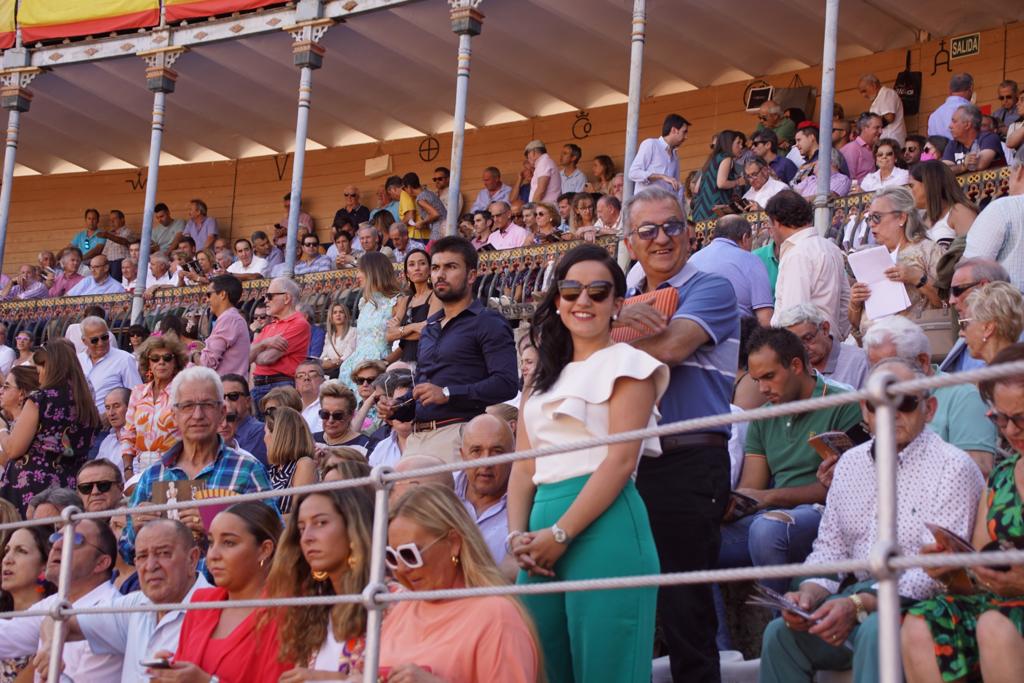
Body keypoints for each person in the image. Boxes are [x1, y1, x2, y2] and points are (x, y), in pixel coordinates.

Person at [759, 359, 985, 683]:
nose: (889, 412)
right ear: (864, 411)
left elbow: (935, 575)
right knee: (780, 634)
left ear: (930, 409)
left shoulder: (953, 468)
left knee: (878, 630)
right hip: (860, 597)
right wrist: (808, 595)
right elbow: (830, 550)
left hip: (927, 605)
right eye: (876, 403)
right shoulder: (849, 465)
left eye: (903, 401)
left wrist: (858, 604)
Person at [506, 244, 665, 683]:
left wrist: (560, 533)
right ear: (556, 300)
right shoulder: (539, 380)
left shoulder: (631, 364)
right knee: (542, 669)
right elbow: (522, 466)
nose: (583, 301)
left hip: (606, 527)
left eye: (598, 292)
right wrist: (518, 536)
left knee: (607, 672)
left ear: (617, 303)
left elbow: (619, 462)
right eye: (571, 290)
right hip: (538, 535)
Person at [615, 187, 739, 682]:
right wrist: (615, 319)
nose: (662, 238)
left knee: (686, 610)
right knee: (625, 601)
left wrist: (607, 332)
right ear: (630, 240)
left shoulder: (713, 286)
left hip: (687, 457)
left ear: (690, 231)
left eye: (672, 226)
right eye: (648, 230)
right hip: (626, 462)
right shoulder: (618, 300)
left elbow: (669, 348)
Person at [901, 344, 1024, 683]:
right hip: (1000, 603)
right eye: (1000, 418)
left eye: (1022, 418)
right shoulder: (1002, 477)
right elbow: (979, 577)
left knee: (994, 625)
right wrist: (952, 569)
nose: (1011, 431)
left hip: (1004, 615)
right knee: (922, 621)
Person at [722, 327, 864, 591]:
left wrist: (770, 498)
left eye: (769, 377)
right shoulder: (763, 417)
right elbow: (753, 486)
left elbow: (843, 490)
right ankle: (713, 635)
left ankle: (784, 620)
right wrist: (729, 505)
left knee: (767, 529)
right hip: (770, 516)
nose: (762, 389)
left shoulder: (844, 404)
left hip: (825, 515)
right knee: (689, 542)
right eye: (756, 380)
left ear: (796, 366)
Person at [380, 236, 518, 463]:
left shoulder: (488, 322)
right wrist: (397, 407)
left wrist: (447, 393)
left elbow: (506, 384)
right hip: (416, 439)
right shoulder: (430, 327)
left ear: (472, 275)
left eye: (450, 267)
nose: (439, 274)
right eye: (435, 268)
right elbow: (423, 392)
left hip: (459, 435)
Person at [380, 485, 539, 681]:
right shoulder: (400, 610)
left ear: (454, 543)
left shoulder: (496, 615)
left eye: (410, 554)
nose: (401, 569)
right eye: (392, 557)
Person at [119, 368, 275, 564]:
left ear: (222, 412)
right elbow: (126, 552)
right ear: (174, 415)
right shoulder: (153, 476)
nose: (198, 415)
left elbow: (274, 537)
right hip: (168, 592)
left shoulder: (247, 469)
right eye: (188, 406)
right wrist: (136, 529)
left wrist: (219, 528)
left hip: (227, 591)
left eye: (207, 405)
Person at [34, 519, 206, 683]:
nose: (150, 566)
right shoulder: (135, 605)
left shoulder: (219, 608)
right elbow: (57, 620)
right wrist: (51, 647)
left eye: (163, 553)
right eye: (142, 556)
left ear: (192, 559)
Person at [150, 502, 291, 683]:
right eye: (210, 542)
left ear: (264, 550)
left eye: (229, 543)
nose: (213, 555)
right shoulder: (202, 602)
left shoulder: (286, 612)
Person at [863, 315, 998, 476]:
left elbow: (977, 470)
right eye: (874, 368)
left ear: (922, 362)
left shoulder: (964, 396)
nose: (881, 378)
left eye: (889, 368)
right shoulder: (879, 399)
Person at [265, 487, 374, 678]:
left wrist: (324, 679)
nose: (307, 537)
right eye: (301, 528)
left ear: (353, 526)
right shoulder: (314, 607)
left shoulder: (391, 602)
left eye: (321, 523)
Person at [0, 518, 122, 681]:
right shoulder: (55, 602)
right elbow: (6, 636)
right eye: (56, 538)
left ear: (100, 563)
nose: (57, 546)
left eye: (75, 540)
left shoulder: (110, 612)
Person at [0, 340, 101, 515]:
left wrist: (2, 429)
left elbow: (13, 450)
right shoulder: (86, 404)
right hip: (69, 486)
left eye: (41, 368)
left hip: (31, 486)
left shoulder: (40, 399)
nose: (38, 374)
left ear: (52, 367)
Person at [848, 186, 944, 334]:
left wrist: (918, 278)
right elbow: (855, 325)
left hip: (912, 343)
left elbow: (947, 304)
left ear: (901, 218)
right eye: (869, 218)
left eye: (877, 217)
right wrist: (855, 302)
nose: (871, 224)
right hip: (872, 347)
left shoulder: (928, 250)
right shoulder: (869, 257)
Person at [766, 190, 851, 340]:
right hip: (827, 343)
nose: (769, 231)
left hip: (804, 347)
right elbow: (845, 303)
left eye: (770, 224)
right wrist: (836, 339)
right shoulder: (831, 248)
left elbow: (792, 316)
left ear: (777, 222)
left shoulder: (797, 254)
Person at [121, 333, 188, 477]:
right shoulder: (138, 392)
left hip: (174, 467)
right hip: (140, 468)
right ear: (149, 363)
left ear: (176, 363)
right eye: (155, 359)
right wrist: (127, 469)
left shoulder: (183, 393)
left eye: (167, 358)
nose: (161, 362)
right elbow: (128, 434)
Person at [688, 214, 774, 326]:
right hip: (738, 335)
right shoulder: (751, 260)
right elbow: (765, 317)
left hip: (696, 333)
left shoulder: (692, 260)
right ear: (745, 238)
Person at [456, 413, 514, 571]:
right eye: (476, 451)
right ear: (462, 455)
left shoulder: (527, 504)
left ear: (513, 455)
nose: (486, 462)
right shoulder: (444, 489)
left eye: (497, 451)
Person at [338, 252, 401, 392]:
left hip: (377, 369)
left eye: (360, 271)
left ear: (372, 272)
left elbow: (405, 342)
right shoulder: (364, 302)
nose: (357, 276)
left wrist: (385, 362)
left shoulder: (397, 301)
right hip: (355, 368)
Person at [0, 525, 55, 682]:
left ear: (45, 565)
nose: (7, 560)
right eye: (7, 551)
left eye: (21, 551)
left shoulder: (52, 620)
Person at [249, 277, 311, 413]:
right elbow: (246, 357)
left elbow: (266, 358)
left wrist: (257, 353)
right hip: (260, 386)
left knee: (280, 431)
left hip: (280, 387)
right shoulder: (269, 326)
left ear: (287, 298)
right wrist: (266, 343)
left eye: (270, 296)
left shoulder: (299, 324)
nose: (265, 300)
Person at [962, 158, 1024, 289]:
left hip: (1011, 306)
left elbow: (971, 271)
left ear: (1019, 171)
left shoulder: (1003, 209)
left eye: (1010, 173)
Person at [776, 304, 869, 388]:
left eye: (808, 338)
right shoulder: (791, 369)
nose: (803, 348)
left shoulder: (859, 361)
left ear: (825, 329)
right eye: (795, 343)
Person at [388, 249, 442, 365]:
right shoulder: (406, 300)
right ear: (407, 273)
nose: (417, 268)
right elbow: (389, 335)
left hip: (427, 359)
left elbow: (429, 331)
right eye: (412, 264)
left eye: (422, 263)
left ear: (429, 270)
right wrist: (413, 327)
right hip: (405, 360)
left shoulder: (435, 296)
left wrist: (400, 331)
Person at [909, 159, 977, 251]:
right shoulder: (921, 218)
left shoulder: (959, 212)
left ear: (928, 185)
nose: (909, 192)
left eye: (911, 186)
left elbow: (974, 253)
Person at [263, 406, 316, 516]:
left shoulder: (304, 464)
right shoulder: (272, 470)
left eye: (266, 432)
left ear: (278, 436)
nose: (264, 438)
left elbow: (300, 515)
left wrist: (262, 524)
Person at [629, 113, 690, 208]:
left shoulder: (675, 156)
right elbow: (633, 173)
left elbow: (676, 186)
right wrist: (661, 176)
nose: (686, 137)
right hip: (645, 207)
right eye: (684, 132)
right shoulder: (651, 144)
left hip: (664, 210)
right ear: (674, 130)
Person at [195, 274, 250, 378]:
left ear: (222, 294)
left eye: (209, 294)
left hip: (227, 389)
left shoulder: (229, 319)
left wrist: (193, 355)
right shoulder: (230, 318)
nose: (206, 299)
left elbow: (206, 363)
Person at [960, 281, 1024, 365]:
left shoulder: (1006, 375)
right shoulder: (1013, 365)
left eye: (965, 324)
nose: (961, 333)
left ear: (988, 328)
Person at [691, 129, 746, 221]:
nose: (741, 146)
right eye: (738, 143)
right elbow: (721, 183)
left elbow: (696, 189)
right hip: (714, 212)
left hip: (699, 213)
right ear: (729, 143)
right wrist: (738, 182)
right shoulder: (727, 157)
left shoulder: (711, 160)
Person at [944, 103, 1007, 173]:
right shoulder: (952, 145)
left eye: (954, 121)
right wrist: (963, 166)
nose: (950, 126)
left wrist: (959, 168)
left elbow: (980, 165)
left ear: (967, 125)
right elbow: (944, 171)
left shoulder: (989, 138)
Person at [313, 382, 370, 450]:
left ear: (351, 415)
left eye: (338, 415)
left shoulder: (365, 445)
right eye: (325, 414)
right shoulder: (311, 440)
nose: (330, 420)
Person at [859, 73, 906, 144]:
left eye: (864, 91)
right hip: (885, 142)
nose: (863, 95)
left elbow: (889, 118)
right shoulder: (878, 98)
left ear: (873, 85)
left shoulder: (886, 93)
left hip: (892, 141)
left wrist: (869, 125)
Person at [401, 172, 445, 242]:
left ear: (409, 187)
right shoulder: (428, 193)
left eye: (404, 189)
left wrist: (422, 222)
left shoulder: (420, 199)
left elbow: (435, 214)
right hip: (445, 227)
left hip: (439, 230)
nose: (405, 191)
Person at [929, 72, 974, 140]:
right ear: (971, 88)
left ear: (949, 90)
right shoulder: (970, 111)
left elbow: (930, 145)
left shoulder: (934, 115)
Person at [319, 302, 356, 378]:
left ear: (345, 315)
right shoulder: (329, 335)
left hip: (344, 371)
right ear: (331, 317)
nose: (338, 315)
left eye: (341, 312)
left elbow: (349, 353)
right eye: (334, 312)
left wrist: (336, 362)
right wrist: (329, 361)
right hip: (329, 371)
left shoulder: (353, 331)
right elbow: (323, 356)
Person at [0, 365, 39, 430]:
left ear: (22, 394)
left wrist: (2, 429)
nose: (0, 391)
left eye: (6, 387)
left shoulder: (25, 429)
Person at [524, 139, 562, 204]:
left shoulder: (544, 162)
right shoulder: (544, 162)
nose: (528, 158)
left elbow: (541, 190)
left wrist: (532, 208)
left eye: (528, 155)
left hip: (546, 209)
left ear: (533, 152)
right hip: (545, 208)